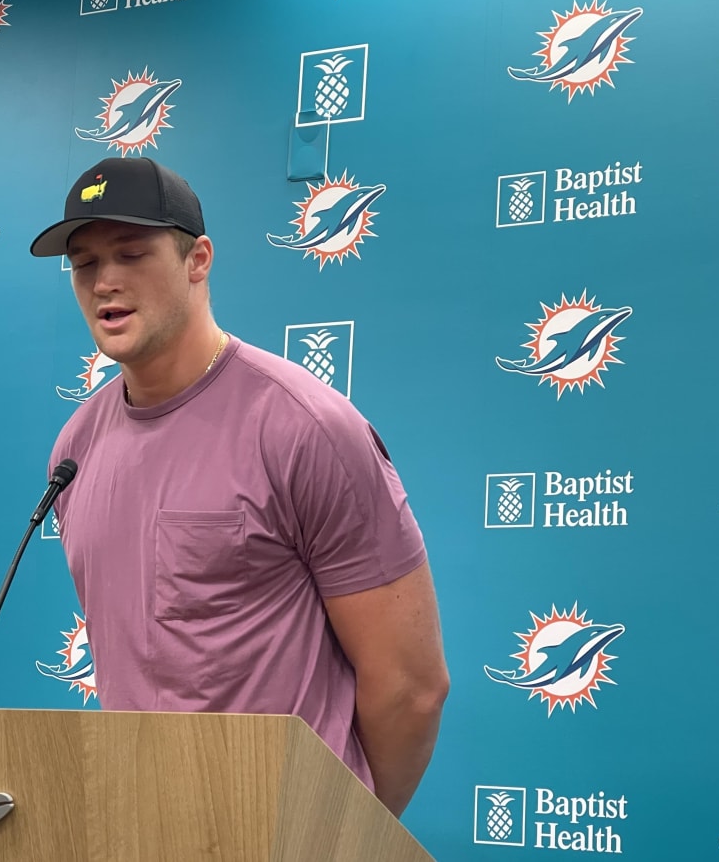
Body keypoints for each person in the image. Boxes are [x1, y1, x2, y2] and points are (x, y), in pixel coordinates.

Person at [31, 156, 449, 817]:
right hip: (130, 830)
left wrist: (340, 835)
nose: (105, 281)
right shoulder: (74, 451)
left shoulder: (304, 427)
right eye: (84, 263)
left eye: (132, 253)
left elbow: (410, 687)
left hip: (284, 832)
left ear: (198, 259)